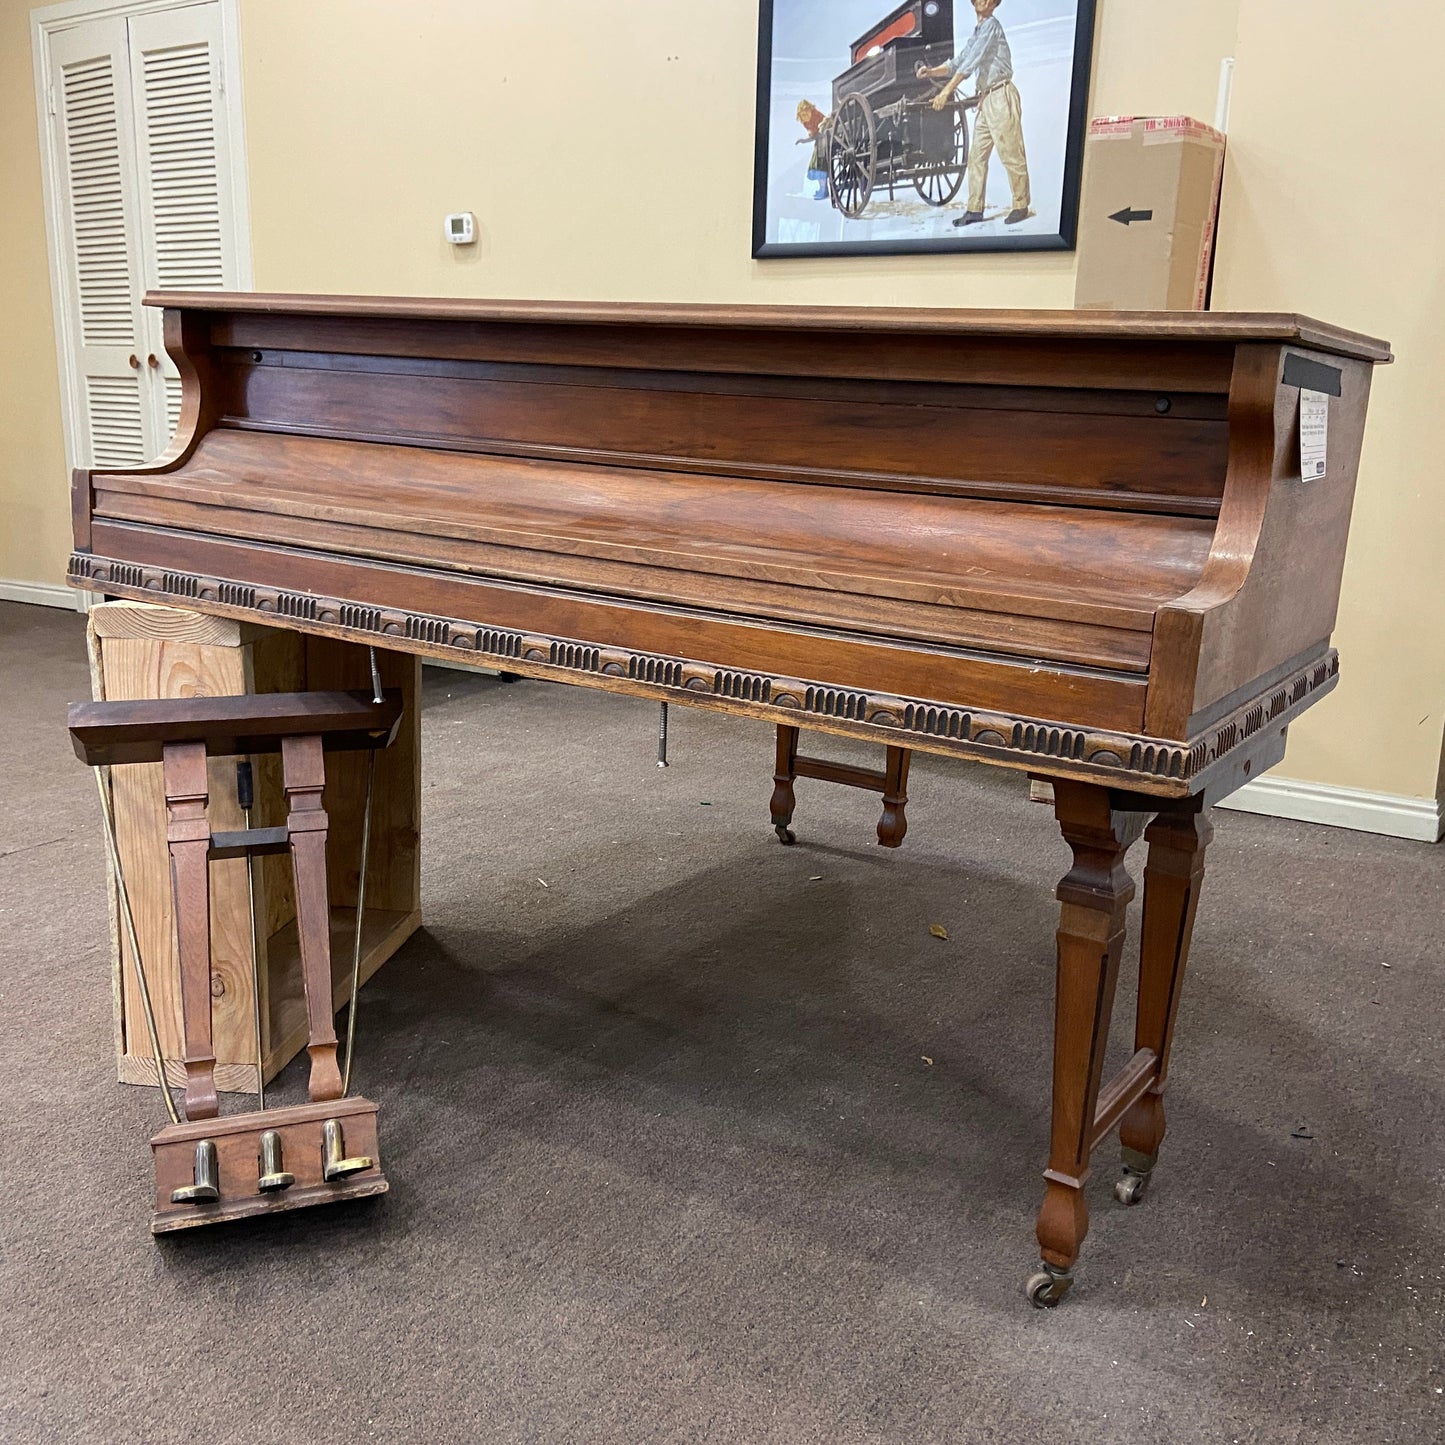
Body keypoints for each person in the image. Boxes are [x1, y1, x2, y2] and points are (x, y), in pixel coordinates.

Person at [918, 0, 1032, 226]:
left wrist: (945, 93)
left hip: (1001, 96)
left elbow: (970, 64)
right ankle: (974, 209)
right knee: (976, 157)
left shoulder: (991, 26)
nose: (984, 1)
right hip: (986, 98)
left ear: (994, 4)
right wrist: (931, 71)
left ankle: (1021, 205)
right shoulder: (978, 31)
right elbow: (958, 61)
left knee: (1011, 153)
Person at [796, 99, 830, 201]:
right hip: (819, 141)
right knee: (816, 165)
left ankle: (823, 190)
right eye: (802, 115)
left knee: (819, 164)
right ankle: (823, 189)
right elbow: (813, 136)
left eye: (806, 113)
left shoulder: (816, 115)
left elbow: (823, 129)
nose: (805, 116)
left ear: (810, 110)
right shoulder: (806, 122)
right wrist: (804, 140)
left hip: (824, 139)